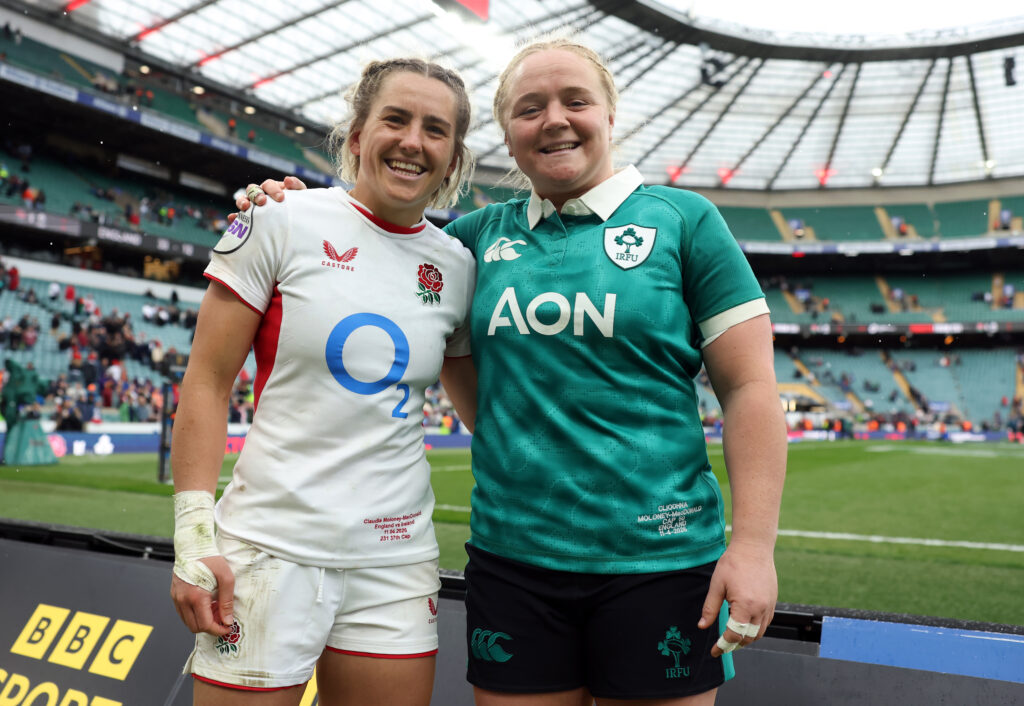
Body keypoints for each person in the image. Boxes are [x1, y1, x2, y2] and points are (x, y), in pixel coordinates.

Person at [240, 37, 786, 706]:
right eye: (530, 108)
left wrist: (753, 547)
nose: (554, 119)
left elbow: (750, 387)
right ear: (506, 132)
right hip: (514, 566)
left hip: (662, 565)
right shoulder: (470, 241)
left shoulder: (685, 221)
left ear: (610, 115)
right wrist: (285, 207)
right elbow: (383, 259)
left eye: (575, 101)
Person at [171, 57, 478, 706]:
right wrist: (194, 537)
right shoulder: (276, 219)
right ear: (358, 135)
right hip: (269, 551)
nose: (413, 141)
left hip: (395, 562)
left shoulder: (457, 266)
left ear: (453, 160)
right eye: (395, 119)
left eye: (435, 129)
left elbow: (484, 410)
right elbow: (206, 381)